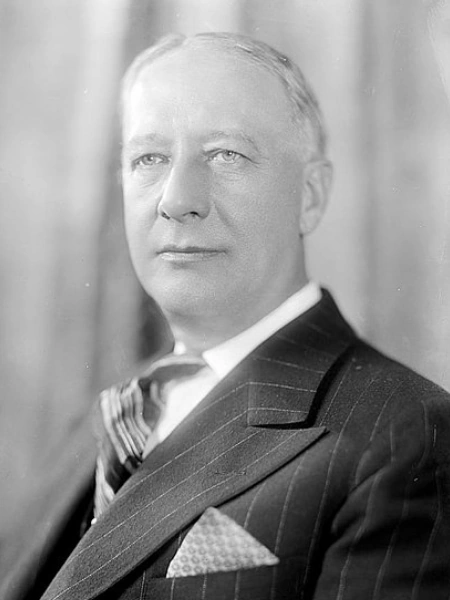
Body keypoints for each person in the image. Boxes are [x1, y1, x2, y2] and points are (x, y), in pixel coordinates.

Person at [3, 32, 450, 600]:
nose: (176, 199)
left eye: (225, 155)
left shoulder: (406, 436)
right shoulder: (106, 416)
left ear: (310, 195)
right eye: (149, 158)